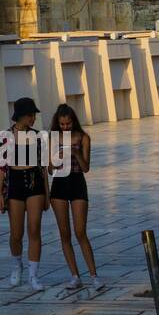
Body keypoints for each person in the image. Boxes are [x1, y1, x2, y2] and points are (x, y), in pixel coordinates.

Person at [0, 97, 48, 291]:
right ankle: (17, 265)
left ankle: (34, 275)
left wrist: (47, 194)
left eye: (34, 115)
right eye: (30, 115)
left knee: (34, 229)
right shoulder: (5, 137)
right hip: (14, 184)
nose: (33, 118)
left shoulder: (38, 137)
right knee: (16, 233)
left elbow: (43, 168)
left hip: (35, 183)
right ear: (21, 116)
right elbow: (1, 168)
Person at [48, 104, 100, 289]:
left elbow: (86, 168)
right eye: (62, 124)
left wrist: (76, 152)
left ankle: (94, 275)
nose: (65, 127)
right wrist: (57, 158)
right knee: (65, 233)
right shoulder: (53, 138)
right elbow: (49, 168)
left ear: (73, 121)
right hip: (59, 185)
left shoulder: (84, 138)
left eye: (68, 123)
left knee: (80, 231)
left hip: (77, 183)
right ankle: (75, 275)